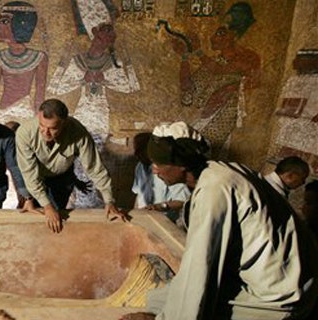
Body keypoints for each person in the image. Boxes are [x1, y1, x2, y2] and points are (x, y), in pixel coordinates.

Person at [121, 122, 318, 320]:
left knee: (194, 306)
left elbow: (199, 268)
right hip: (287, 274)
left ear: (181, 165)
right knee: (158, 299)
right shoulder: (219, 171)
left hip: (281, 293)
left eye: (158, 164)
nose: (155, 170)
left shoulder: (214, 189)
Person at [15, 99, 127, 233]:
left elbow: (95, 168)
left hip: (63, 178)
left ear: (64, 123)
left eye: (53, 128)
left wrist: (109, 201)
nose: (46, 132)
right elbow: (29, 174)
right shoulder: (24, 133)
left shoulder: (79, 133)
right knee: (39, 216)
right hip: (36, 177)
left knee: (56, 217)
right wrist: (46, 206)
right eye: (42, 125)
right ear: (39, 117)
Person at [171, 2, 260, 159]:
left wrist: (198, 51)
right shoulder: (213, 62)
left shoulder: (248, 57)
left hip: (223, 120)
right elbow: (188, 88)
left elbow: (221, 70)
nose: (212, 37)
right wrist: (184, 56)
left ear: (235, 34)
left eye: (221, 33)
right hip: (202, 119)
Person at [0, 1, 48, 123]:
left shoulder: (39, 57)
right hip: (5, 111)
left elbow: (39, 95)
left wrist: (39, 121)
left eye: (4, 21)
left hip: (25, 112)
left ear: (20, 24)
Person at [131, 132, 190, 222]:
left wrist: (159, 207)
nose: (135, 154)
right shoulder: (139, 167)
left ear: (149, 149)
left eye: (139, 150)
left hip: (165, 222)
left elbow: (182, 200)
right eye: (135, 150)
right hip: (145, 220)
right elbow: (138, 195)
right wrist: (136, 216)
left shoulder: (167, 170)